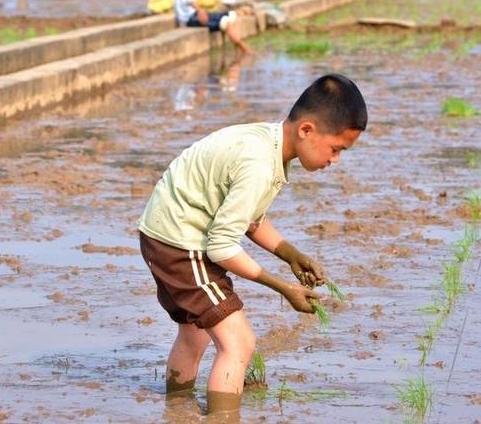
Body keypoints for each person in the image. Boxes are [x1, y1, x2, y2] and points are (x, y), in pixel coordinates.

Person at [138, 73, 367, 416]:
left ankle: (177, 412)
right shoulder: (259, 164)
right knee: (239, 342)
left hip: (165, 234)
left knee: (195, 333)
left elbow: (248, 218)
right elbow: (222, 247)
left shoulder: (270, 145)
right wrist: (283, 287)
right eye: (336, 149)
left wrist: (290, 254)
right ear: (307, 130)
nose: (336, 160)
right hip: (181, 243)